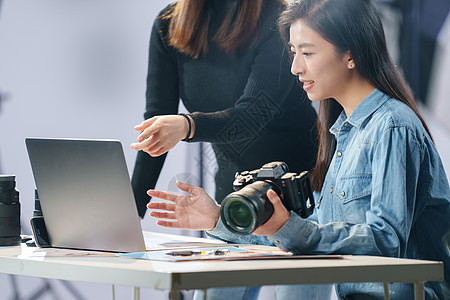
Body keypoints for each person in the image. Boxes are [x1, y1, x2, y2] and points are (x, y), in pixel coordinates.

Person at [145, 0, 450, 299]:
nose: (295, 67)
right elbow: (314, 229)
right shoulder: (343, 133)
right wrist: (217, 219)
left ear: (351, 55)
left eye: (307, 53)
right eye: (293, 52)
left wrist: (292, 229)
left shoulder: (392, 127)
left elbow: (386, 241)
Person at [130, 0, 318, 218]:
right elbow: (154, 130)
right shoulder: (168, 24)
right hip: (234, 198)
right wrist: (131, 213)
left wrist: (188, 125)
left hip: (299, 195)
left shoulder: (278, 18)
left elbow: (251, 117)